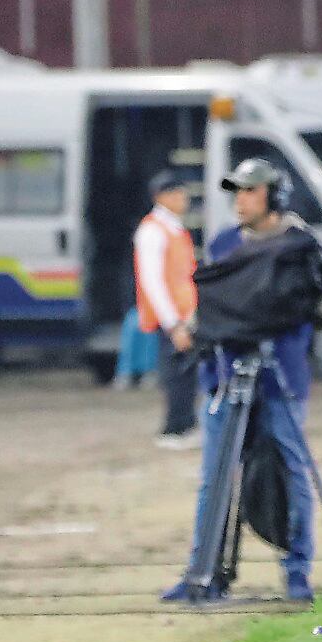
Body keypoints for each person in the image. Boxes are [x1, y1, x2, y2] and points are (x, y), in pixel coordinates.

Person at [159, 158, 322, 605]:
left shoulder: (300, 246)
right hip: (227, 374)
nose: (240, 200)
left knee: (291, 471)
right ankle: (203, 572)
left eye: (250, 191)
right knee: (214, 477)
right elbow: (209, 305)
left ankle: (297, 572)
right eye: (237, 191)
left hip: (282, 378)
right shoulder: (223, 245)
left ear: (273, 196)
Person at [133, 170, 199, 449]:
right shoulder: (152, 231)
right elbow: (152, 281)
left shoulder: (174, 228)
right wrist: (172, 323)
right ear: (162, 197)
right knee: (176, 373)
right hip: (172, 317)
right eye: (178, 193)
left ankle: (187, 425)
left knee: (187, 372)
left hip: (185, 313)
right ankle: (174, 429)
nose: (184, 198)